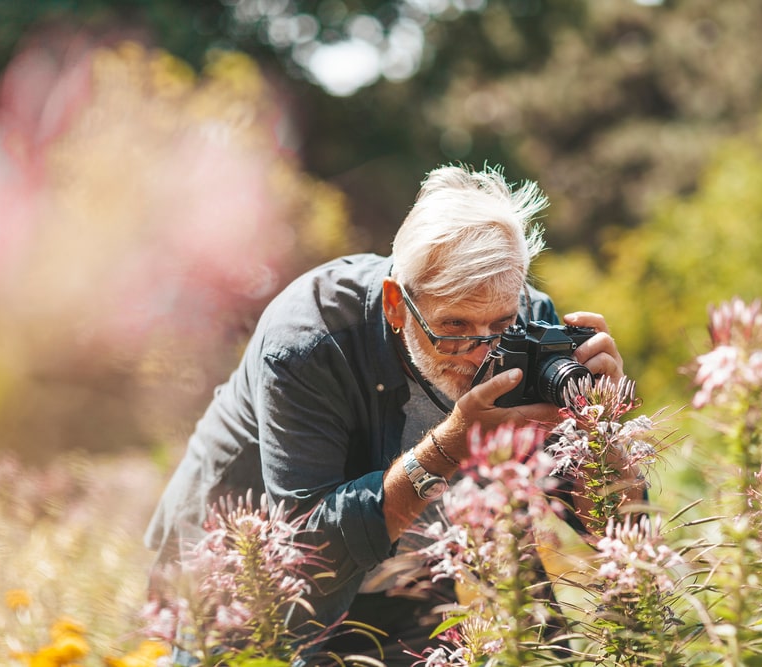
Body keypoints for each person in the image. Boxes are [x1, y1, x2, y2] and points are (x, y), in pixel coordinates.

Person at [144, 164, 637, 665]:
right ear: (397, 306)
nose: (479, 352)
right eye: (454, 326)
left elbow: (616, 530)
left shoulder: (531, 327)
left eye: (501, 324)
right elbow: (308, 548)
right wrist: (450, 447)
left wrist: (598, 428)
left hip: (406, 582)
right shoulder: (310, 341)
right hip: (250, 580)